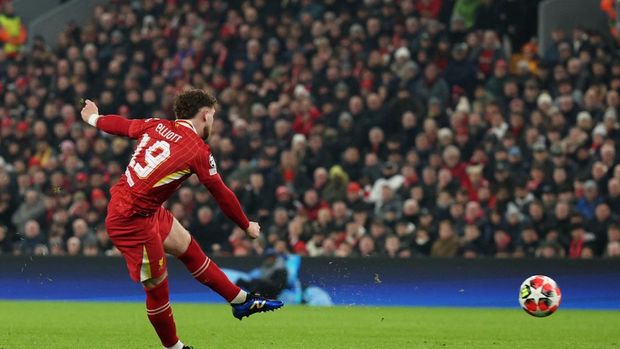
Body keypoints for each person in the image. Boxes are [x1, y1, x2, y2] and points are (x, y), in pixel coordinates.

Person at [79, 90, 283, 349]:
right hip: (130, 221)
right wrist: (246, 225)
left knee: (188, 248)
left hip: (146, 209)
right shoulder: (197, 150)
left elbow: (125, 126)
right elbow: (222, 194)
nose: (213, 122)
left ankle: (240, 300)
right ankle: (174, 348)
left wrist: (94, 118)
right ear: (206, 115)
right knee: (157, 289)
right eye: (213, 117)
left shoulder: (157, 125)